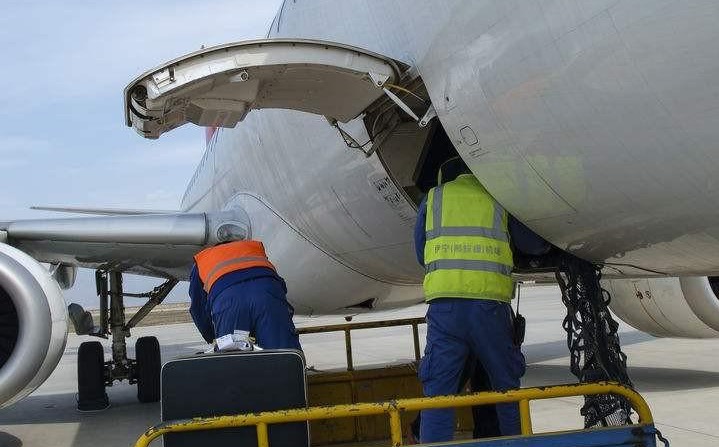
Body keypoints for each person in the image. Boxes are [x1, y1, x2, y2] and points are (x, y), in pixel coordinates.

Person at [414, 157, 526, 442]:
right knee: (506, 388)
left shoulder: (434, 198)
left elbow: (420, 253)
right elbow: (531, 245)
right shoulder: (499, 197)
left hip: (445, 308)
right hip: (490, 307)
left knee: (438, 395)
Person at [188, 239, 301, 350]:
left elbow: (198, 308)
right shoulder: (254, 250)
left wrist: (211, 336)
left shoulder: (204, 260)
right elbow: (280, 286)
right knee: (283, 353)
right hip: (268, 295)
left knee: (233, 356)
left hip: (229, 303)